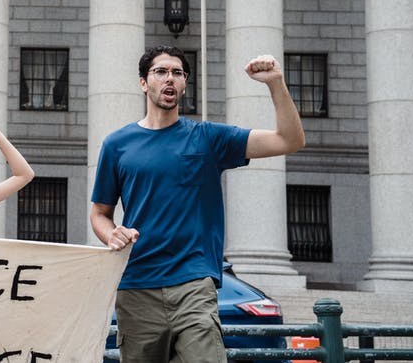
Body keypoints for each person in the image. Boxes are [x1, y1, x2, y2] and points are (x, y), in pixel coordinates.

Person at [90, 45, 305, 363]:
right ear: (143, 82)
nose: (169, 79)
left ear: (184, 83)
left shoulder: (208, 138)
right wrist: (111, 235)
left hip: (194, 283)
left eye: (177, 73)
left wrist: (276, 82)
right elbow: (100, 213)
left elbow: (290, 140)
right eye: (160, 71)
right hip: (137, 286)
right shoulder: (117, 145)